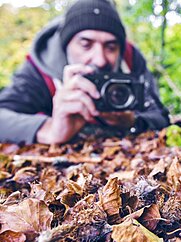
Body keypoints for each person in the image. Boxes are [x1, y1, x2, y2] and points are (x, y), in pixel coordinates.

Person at [0, 0, 170, 144]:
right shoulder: (40, 68)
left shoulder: (131, 60)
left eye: (111, 47)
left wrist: (132, 121)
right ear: (67, 44)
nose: (100, 59)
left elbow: (160, 114)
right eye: (85, 44)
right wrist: (48, 129)